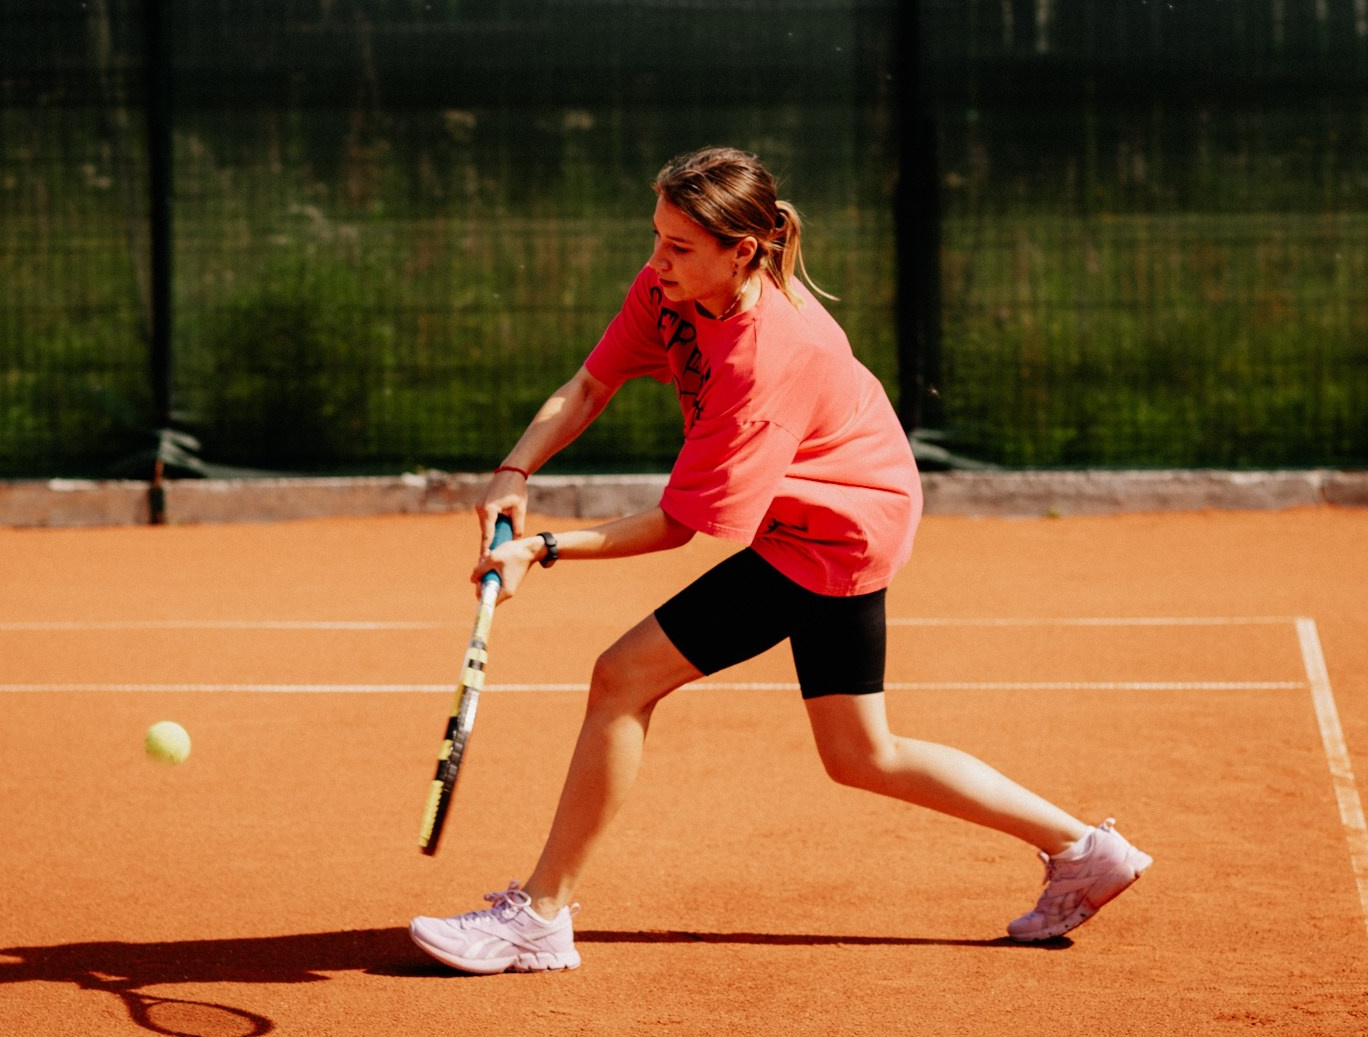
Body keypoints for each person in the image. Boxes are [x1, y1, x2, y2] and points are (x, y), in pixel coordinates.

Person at [408, 147, 1150, 975]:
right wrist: (514, 474)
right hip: (848, 503)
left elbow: (680, 525)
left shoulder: (767, 359)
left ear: (743, 252)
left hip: (831, 531)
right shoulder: (672, 287)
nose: (657, 261)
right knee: (861, 753)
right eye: (656, 236)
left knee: (622, 677)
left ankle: (540, 917)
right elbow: (589, 385)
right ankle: (1083, 848)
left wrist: (542, 548)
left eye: (680, 247)